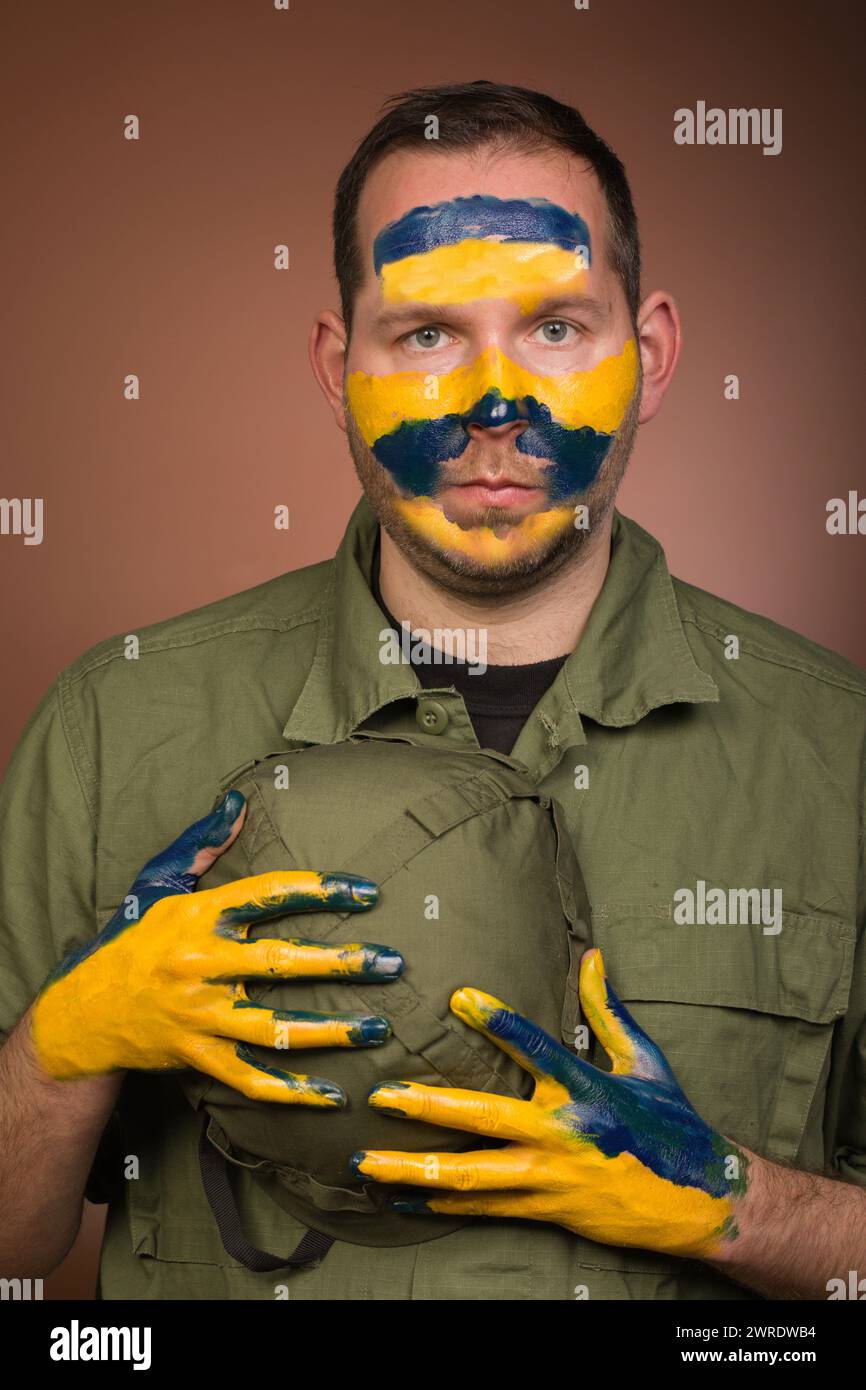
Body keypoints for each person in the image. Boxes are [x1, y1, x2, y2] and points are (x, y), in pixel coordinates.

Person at [1, 80, 864, 1302]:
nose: (489, 403)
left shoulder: (842, 754)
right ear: (334, 361)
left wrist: (738, 1206)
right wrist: (65, 1045)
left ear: (652, 354)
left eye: (555, 329)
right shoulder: (112, 724)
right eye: (424, 336)